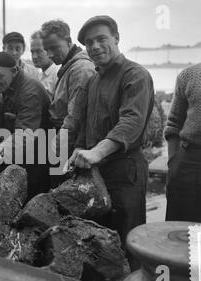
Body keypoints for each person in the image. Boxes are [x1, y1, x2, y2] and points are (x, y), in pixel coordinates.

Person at [65, 16, 154, 255]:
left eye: (101, 39)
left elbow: (131, 122)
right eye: (89, 42)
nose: (94, 46)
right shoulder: (94, 80)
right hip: (97, 171)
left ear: (116, 38)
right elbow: (85, 123)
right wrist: (80, 147)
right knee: (100, 244)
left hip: (125, 170)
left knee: (127, 243)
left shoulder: (136, 75)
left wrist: (97, 151)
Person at [0, 52, 50, 199]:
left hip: (38, 156)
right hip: (18, 151)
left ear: (14, 71)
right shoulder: (7, 87)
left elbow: (24, 135)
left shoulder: (29, 92)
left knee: (30, 198)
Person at [41, 20, 96, 131]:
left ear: (69, 41)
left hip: (69, 140)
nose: (50, 55)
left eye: (54, 48)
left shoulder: (80, 69)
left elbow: (74, 120)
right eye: (46, 50)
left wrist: (58, 147)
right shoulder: (68, 66)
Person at [164, 63, 201, 222]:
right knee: (181, 234)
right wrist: (173, 163)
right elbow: (174, 123)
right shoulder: (188, 75)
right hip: (189, 163)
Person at [30, 30, 59, 99]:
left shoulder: (57, 74)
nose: (34, 56)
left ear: (49, 50)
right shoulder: (39, 75)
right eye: (32, 52)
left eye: (39, 51)